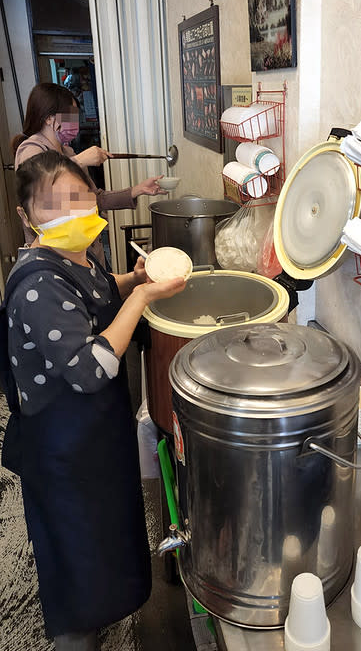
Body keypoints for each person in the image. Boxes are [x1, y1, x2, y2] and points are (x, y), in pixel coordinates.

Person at [2, 150, 186, 650]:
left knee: (103, 536)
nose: (69, 216)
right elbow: (89, 369)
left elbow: (100, 293)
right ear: (26, 218)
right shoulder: (37, 283)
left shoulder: (74, 258)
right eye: (51, 208)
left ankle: (102, 615)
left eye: (78, 200)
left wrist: (133, 280)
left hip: (92, 440)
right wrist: (142, 299)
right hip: (62, 450)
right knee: (76, 553)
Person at [11, 82, 168, 262]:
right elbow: (46, 199)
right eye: (70, 115)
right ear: (49, 118)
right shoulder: (30, 150)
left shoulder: (67, 152)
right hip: (57, 257)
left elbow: (94, 199)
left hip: (86, 252)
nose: (75, 123)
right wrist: (80, 160)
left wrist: (138, 189)